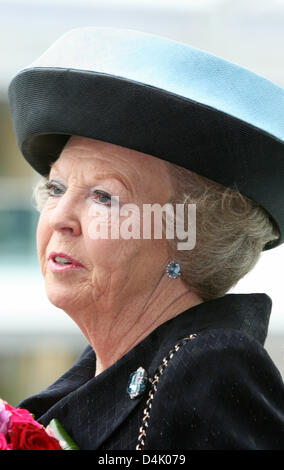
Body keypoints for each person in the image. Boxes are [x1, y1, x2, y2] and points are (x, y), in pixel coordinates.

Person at [8, 27, 284, 450]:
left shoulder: (208, 366)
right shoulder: (90, 381)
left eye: (104, 197)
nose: (60, 217)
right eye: (57, 188)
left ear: (188, 236)